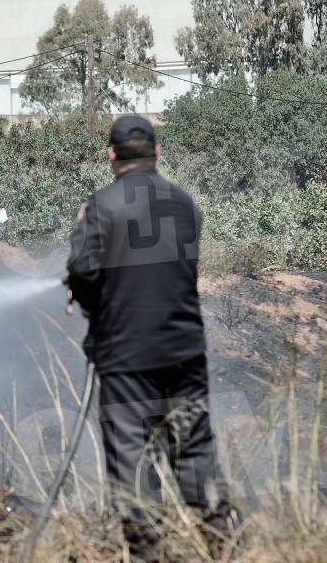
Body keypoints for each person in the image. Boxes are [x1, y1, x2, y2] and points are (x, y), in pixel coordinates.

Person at [66, 115, 237, 561]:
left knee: (132, 458)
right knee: (195, 447)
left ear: (111, 156)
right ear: (158, 153)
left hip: (126, 358)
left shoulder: (99, 205)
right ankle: (224, 546)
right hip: (184, 351)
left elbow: (81, 274)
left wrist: (92, 307)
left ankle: (148, 554)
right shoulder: (185, 203)